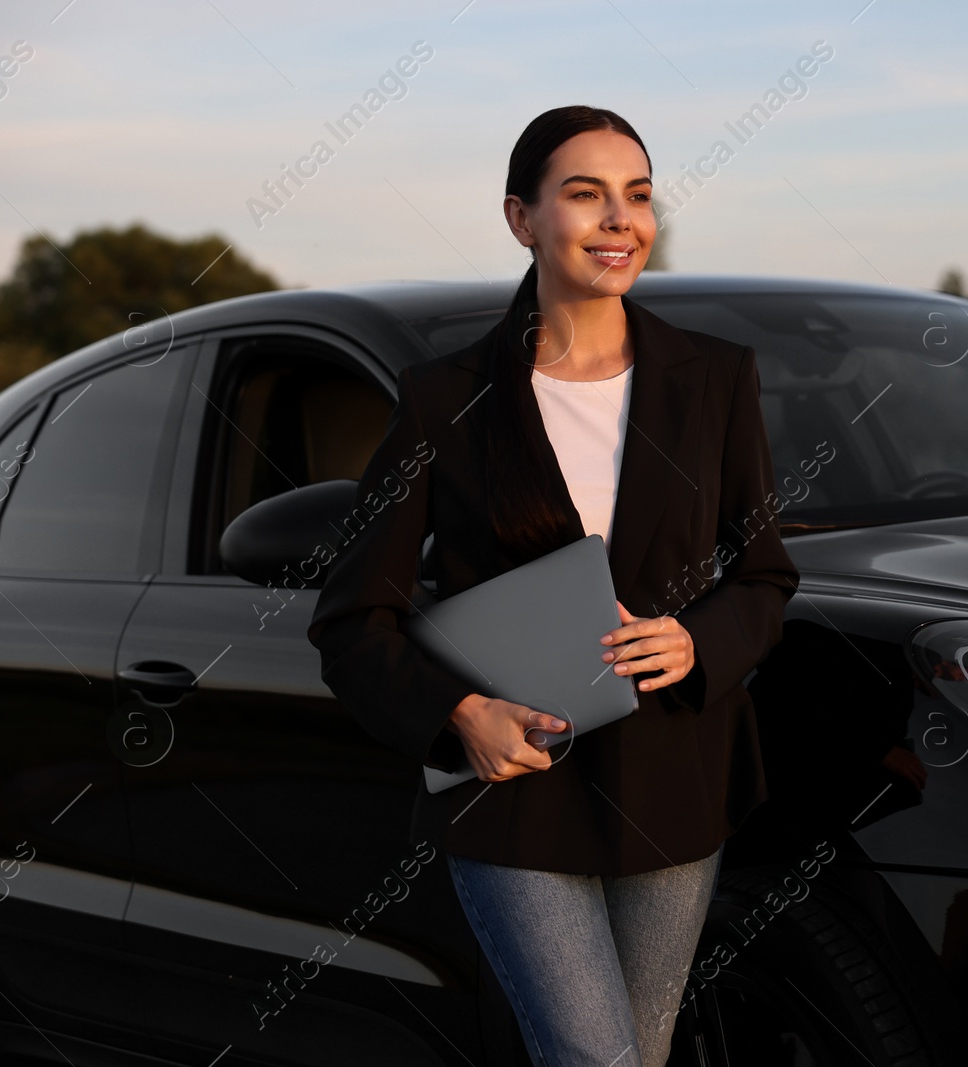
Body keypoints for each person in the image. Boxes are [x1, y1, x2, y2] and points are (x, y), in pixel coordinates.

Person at [305, 105, 800, 1067]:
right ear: (521, 219)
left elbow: (766, 573)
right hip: (515, 794)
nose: (620, 221)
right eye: (586, 195)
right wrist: (459, 713)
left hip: (674, 782)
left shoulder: (717, 379)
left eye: (638, 196)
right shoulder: (443, 398)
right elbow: (352, 618)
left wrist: (701, 641)